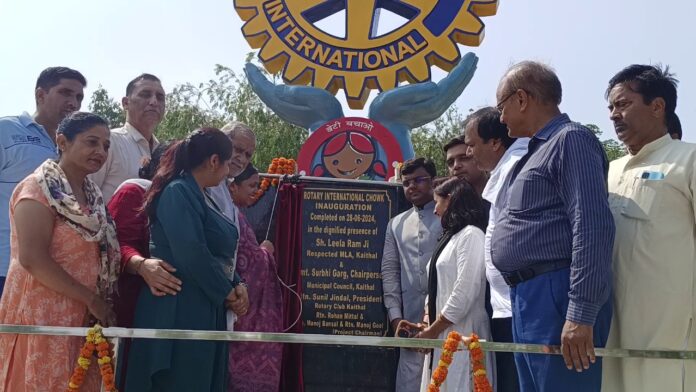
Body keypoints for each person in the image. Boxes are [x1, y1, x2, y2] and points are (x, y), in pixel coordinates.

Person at [492, 61, 614, 391]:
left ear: (521, 98)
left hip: (557, 293)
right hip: (528, 296)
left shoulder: (570, 140)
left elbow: (591, 225)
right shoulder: (537, 149)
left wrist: (581, 312)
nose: (500, 118)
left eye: (501, 106)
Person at [0, 112, 119, 391]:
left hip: (81, 316)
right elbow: (32, 258)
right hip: (41, 314)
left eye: (106, 145)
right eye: (92, 142)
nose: (100, 151)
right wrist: (90, 298)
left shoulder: (93, 196)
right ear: (62, 142)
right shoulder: (36, 189)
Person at [125, 128, 249, 391]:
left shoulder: (201, 194)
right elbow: (191, 252)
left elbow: (217, 252)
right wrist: (227, 292)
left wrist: (238, 284)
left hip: (202, 304)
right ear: (214, 161)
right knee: (181, 381)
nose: (229, 172)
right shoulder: (178, 191)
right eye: (228, 163)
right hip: (179, 308)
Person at [602, 65, 696, 391]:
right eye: (611, 107)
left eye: (623, 104)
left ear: (658, 107)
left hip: (670, 333)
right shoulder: (609, 171)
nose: (614, 114)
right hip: (611, 328)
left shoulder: (687, 160)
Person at [0, 66, 86, 298]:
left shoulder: (74, 146)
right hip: (5, 267)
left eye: (79, 97)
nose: (74, 103)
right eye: (65, 93)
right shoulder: (6, 131)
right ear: (40, 95)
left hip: (53, 273)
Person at [463, 106, 528, 392]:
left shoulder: (520, 167)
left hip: (522, 304)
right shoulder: (504, 172)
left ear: (495, 142)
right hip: (506, 307)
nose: (468, 153)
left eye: (472, 144)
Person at [106, 141, 181, 389]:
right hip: (130, 301)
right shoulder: (134, 191)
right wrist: (141, 265)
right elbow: (115, 245)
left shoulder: (182, 199)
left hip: (163, 307)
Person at [415, 177, 494, 391]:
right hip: (441, 330)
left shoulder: (472, 235)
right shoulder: (452, 237)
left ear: (449, 200)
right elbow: (436, 286)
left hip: (464, 330)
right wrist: (426, 322)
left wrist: (433, 329)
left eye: (437, 202)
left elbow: (464, 292)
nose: (434, 211)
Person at [381, 158, 442, 392]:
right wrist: (396, 318)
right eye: (406, 182)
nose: (412, 187)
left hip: (447, 322)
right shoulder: (396, 224)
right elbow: (389, 272)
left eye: (419, 180)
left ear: (434, 181)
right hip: (410, 326)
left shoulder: (450, 217)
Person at [227, 165, 283, 392]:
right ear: (232, 187)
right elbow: (245, 263)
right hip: (239, 310)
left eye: (258, 186)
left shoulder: (234, 213)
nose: (255, 190)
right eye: (251, 186)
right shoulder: (231, 215)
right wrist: (265, 253)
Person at [91, 73, 165, 202]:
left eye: (160, 97)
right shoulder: (110, 142)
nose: (154, 102)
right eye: (145, 95)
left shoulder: (165, 153)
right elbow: (84, 194)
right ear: (126, 103)